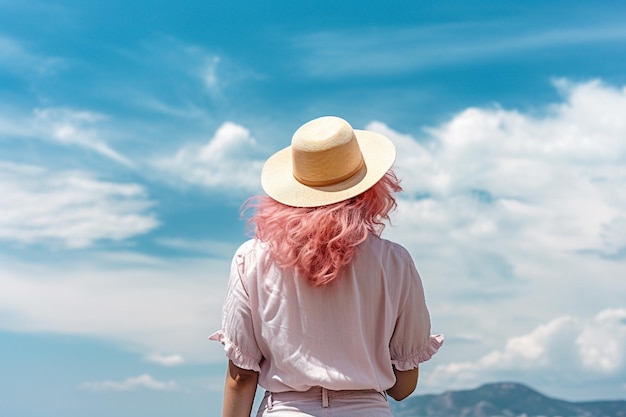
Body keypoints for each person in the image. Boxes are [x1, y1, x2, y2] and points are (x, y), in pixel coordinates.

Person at [210, 116, 443, 417]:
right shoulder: (395, 262)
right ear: (370, 188)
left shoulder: (251, 258)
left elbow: (242, 377)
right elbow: (402, 386)